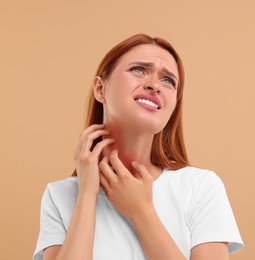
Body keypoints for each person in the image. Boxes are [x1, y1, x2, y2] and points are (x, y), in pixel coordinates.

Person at [33, 33, 243, 260]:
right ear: (100, 89)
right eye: (138, 70)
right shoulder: (60, 195)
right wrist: (86, 195)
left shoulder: (200, 187)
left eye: (168, 80)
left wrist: (141, 211)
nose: (154, 85)